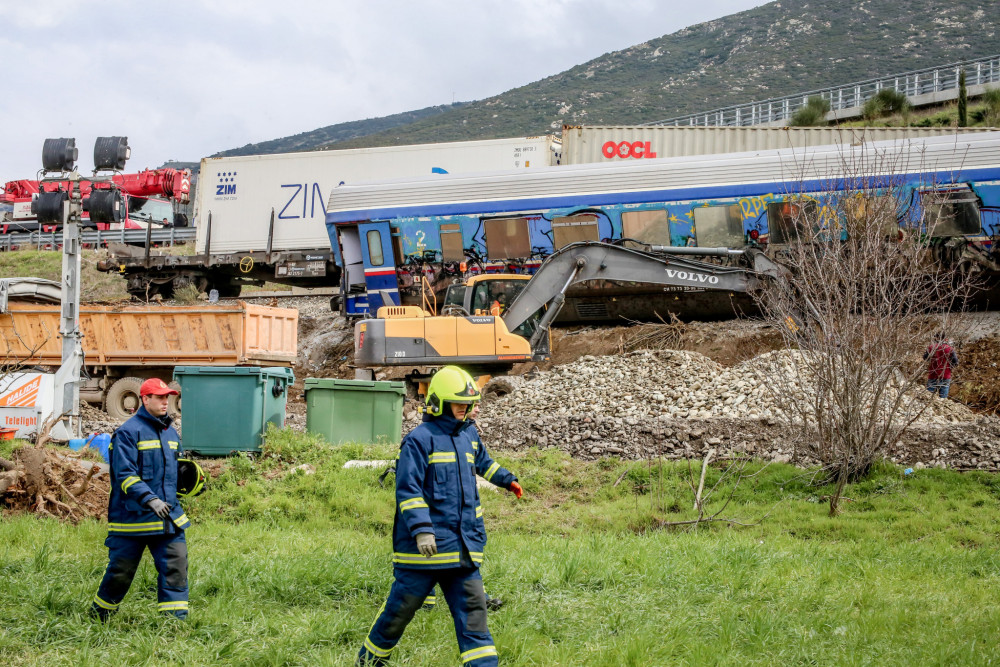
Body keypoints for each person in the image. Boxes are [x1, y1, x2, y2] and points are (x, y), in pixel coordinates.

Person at [357, 366, 522, 666]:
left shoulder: (469, 435)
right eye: (461, 405)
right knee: (399, 612)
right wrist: (422, 530)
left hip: (462, 550)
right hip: (421, 555)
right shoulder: (418, 441)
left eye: (469, 405)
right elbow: (408, 490)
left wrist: (507, 480)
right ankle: (369, 661)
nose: (467, 411)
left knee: (474, 614)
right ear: (439, 404)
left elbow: (484, 463)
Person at [90, 378, 191, 621]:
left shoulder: (171, 433)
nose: (165, 401)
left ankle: (174, 624)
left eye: (167, 397)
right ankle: (99, 616)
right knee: (120, 573)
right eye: (159, 397)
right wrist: (150, 500)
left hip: (168, 519)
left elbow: (173, 474)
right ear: (145, 399)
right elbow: (124, 476)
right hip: (132, 520)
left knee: (176, 568)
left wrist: (190, 481)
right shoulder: (127, 433)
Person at [924, 332, 959, 399]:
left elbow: (925, 358)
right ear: (946, 338)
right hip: (945, 375)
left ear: (937, 338)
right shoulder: (950, 349)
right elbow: (956, 362)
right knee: (943, 399)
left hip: (933, 374)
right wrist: (950, 366)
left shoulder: (931, 347)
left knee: (928, 396)